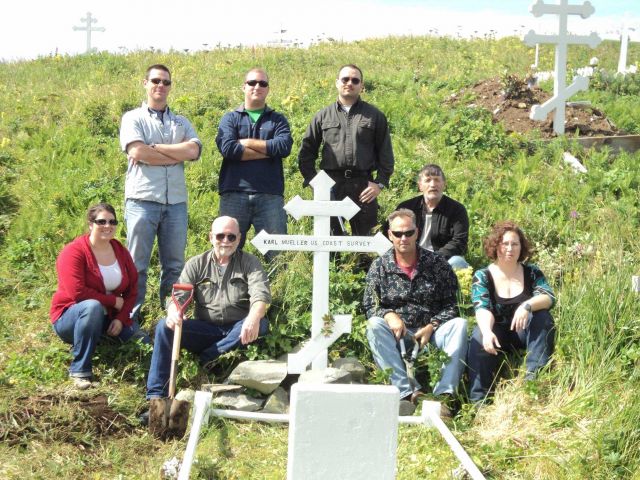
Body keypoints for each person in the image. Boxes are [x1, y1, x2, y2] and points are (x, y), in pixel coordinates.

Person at [145, 216, 271, 401]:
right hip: (206, 329)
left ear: (239, 238)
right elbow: (178, 296)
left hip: (239, 329)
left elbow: (261, 296)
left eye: (231, 237)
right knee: (164, 326)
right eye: (220, 236)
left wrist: (252, 319)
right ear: (211, 237)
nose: (226, 242)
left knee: (261, 324)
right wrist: (173, 313)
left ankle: (206, 357)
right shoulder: (196, 264)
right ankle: (156, 395)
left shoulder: (249, 262)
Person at [119, 64, 202, 320]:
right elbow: (138, 152)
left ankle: (173, 316)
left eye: (166, 82)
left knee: (175, 265)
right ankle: (131, 318)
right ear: (145, 83)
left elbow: (194, 152)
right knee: (137, 265)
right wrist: (173, 153)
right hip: (142, 200)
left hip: (176, 203)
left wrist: (156, 148)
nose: (161, 86)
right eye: (156, 80)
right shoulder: (133, 118)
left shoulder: (181, 121)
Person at [364, 209, 467, 415]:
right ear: (390, 235)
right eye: (398, 234)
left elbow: (452, 306)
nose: (404, 238)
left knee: (460, 325)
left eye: (408, 233)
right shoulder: (380, 267)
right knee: (374, 325)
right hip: (397, 334)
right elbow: (369, 304)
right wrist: (389, 315)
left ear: (417, 233)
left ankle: (443, 396)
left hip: (432, 333)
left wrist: (432, 326)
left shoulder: (437, 264)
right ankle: (405, 393)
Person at [50, 203, 149, 390]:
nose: (107, 226)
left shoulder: (119, 249)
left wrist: (121, 318)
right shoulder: (74, 251)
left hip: (109, 317)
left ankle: (148, 382)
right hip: (70, 317)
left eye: (112, 222)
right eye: (101, 221)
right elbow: (77, 293)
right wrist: (113, 301)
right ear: (90, 224)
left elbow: (132, 289)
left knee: (143, 340)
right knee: (92, 307)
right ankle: (80, 371)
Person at [298, 64, 394, 236]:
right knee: (330, 242)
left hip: (363, 186)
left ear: (361, 86)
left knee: (365, 242)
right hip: (330, 185)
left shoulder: (375, 116)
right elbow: (306, 153)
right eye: (345, 79)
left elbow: (385, 154)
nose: (350, 83)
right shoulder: (322, 116)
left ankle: (361, 264)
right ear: (337, 83)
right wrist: (315, 182)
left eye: (355, 80)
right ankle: (338, 264)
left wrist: (379, 183)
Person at [467, 221, 555, 403]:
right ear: (495, 246)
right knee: (478, 335)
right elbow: (482, 307)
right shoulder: (483, 275)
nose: (510, 248)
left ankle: (534, 381)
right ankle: (479, 401)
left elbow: (548, 297)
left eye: (515, 244)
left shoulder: (532, 272)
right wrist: (487, 332)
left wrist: (527, 306)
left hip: (524, 332)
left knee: (543, 316)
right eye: (504, 243)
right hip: (497, 333)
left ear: (521, 247)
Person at [215, 68, 293, 261]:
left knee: (277, 257)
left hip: (270, 196)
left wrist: (247, 142)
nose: (257, 86)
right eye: (252, 82)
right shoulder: (230, 118)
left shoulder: (278, 120)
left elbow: (283, 147)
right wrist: (268, 151)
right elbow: (228, 149)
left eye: (262, 83)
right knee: (225, 254)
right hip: (234, 194)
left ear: (268, 89)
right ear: (244, 86)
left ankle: (277, 291)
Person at [389, 164, 469, 270]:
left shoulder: (457, 209)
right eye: (428, 180)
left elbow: (459, 242)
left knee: (458, 262)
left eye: (437, 180)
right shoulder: (406, 207)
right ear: (420, 186)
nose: (433, 185)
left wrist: (433, 258)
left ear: (444, 184)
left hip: (443, 259)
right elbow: (392, 234)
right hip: (411, 257)